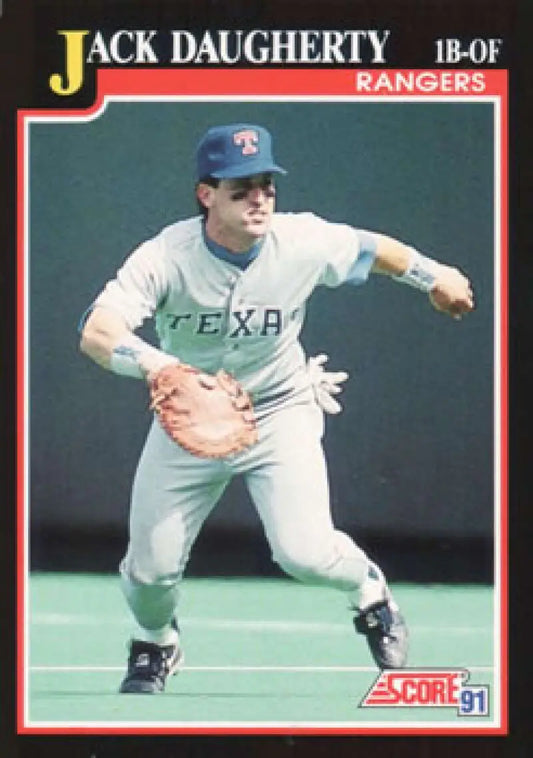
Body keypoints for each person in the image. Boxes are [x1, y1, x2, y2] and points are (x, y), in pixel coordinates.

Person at [79, 123, 474, 694]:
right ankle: (156, 641)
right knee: (149, 572)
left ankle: (369, 590)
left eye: (266, 184)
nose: (259, 197)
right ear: (205, 194)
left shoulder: (303, 240)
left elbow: (375, 249)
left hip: (279, 408)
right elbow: (97, 332)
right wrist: (158, 365)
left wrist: (433, 276)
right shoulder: (166, 255)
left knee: (305, 552)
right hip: (189, 421)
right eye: (241, 188)